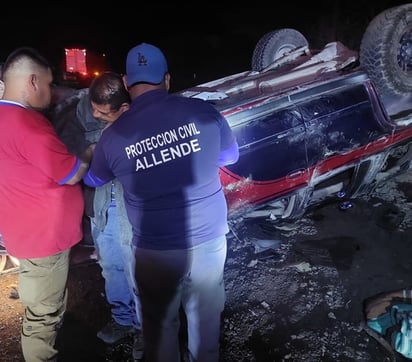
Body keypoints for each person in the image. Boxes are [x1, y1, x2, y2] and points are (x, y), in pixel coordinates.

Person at [84, 43, 239, 362]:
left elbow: (94, 179)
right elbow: (230, 155)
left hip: (154, 250)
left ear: (127, 83)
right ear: (167, 79)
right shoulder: (203, 112)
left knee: (161, 326)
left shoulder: (113, 137)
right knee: (205, 322)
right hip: (207, 240)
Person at [0, 47, 92, 361]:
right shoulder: (28, 125)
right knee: (43, 317)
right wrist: (89, 153)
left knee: (41, 298)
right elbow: (71, 173)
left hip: (23, 230)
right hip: (44, 239)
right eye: (50, 85)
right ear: (33, 81)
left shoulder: (3, 117)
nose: (52, 93)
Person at [50, 72, 144, 360]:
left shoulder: (139, 121)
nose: (94, 114)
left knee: (139, 272)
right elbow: (71, 158)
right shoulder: (78, 117)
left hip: (134, 210)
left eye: (103, 112)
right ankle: (123, 318)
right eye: (93, 107)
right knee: (111, 266)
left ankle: (146, 329)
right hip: (102, 208)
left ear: (123, 109)